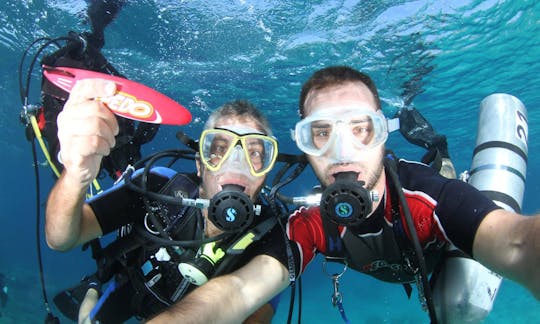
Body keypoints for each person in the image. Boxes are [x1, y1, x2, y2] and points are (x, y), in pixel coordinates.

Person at [149, 65, 539, 323]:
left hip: (437, 222)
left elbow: (518, 243)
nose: (341, 153)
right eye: (321, 133)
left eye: (360, 129)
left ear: (382, 137)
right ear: (306, 146)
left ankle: (435, 144)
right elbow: (238, 289)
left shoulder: (429, 198)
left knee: (461, 303)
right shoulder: (311, 223)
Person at [45, 78, 290, 323]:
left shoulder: (272, 234)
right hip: (134, 286)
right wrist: (76, 175)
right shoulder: (158, 188)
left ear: (266, 172)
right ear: (199, 164)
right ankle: (93, 284)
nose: (236, 164)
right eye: (218, 149)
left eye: (255, 153)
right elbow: (60, 238)